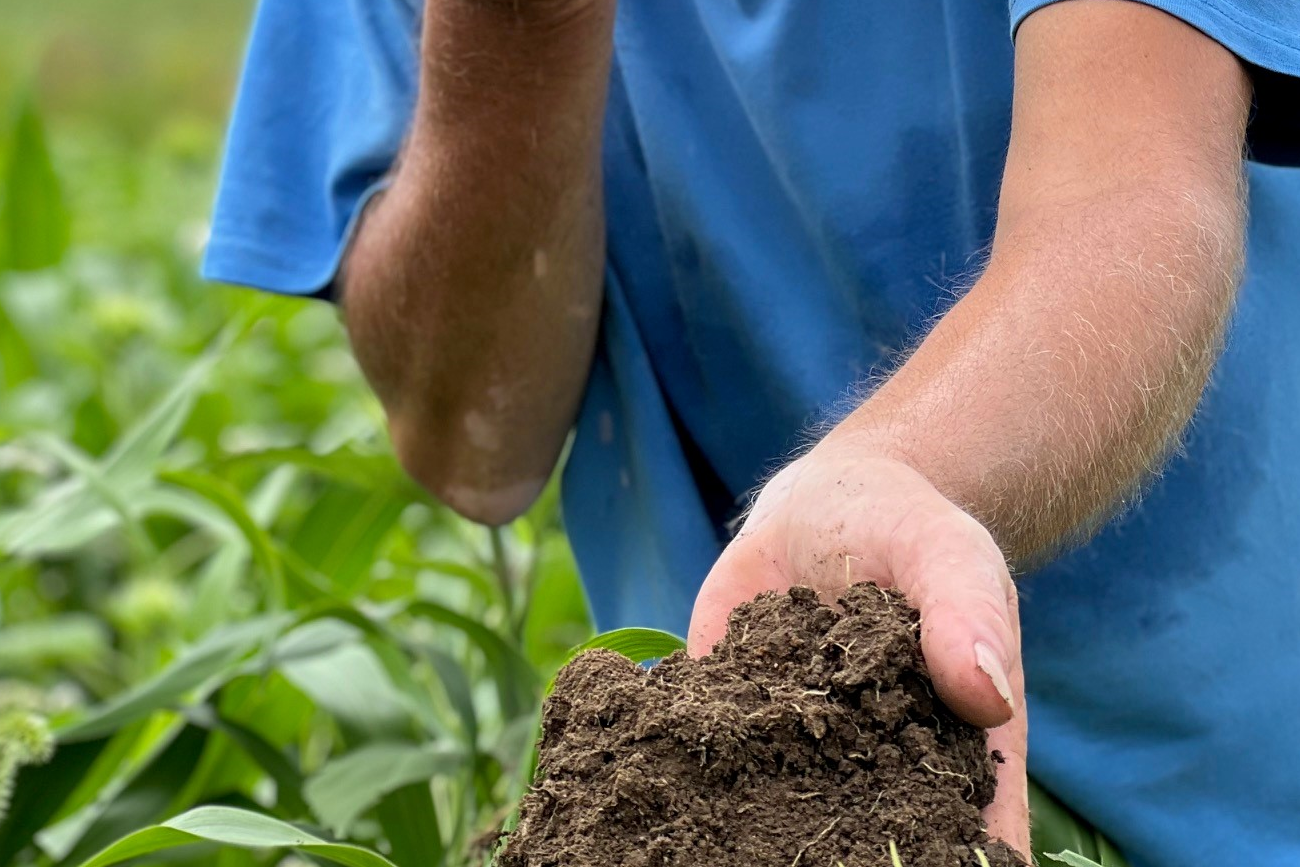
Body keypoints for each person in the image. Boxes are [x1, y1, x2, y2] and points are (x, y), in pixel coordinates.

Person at [203, 0, 1300, 862]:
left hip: (1237, 777)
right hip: (702, 792)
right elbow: (470, 441)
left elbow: (1132, 192)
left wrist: (886, 473)